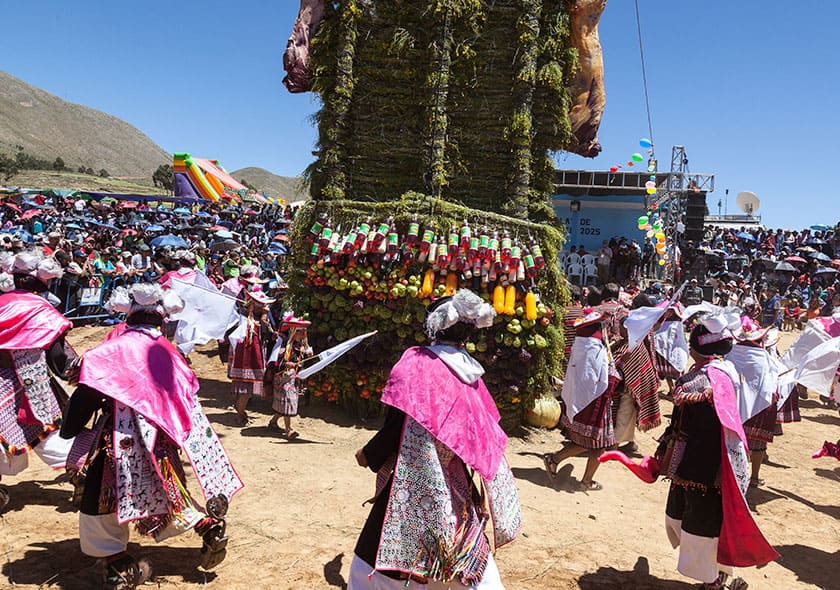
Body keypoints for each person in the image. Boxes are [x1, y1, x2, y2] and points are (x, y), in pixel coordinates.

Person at [60, 283, 243, 588]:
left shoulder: (112, 350)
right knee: (167, 489)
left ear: (128, 315)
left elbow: (87, 392)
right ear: (162, 319)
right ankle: (204, 524)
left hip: (117, 438)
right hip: (161, 439)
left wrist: (72, 427)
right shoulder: (171, 354)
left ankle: (115, 563)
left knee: (101, 496)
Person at [349, 290, 521, 589]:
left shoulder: (416, 364)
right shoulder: (471, 373)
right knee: (467, 563)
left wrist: (370, 453)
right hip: (455, 480)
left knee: (374, 567)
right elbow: (481, 435)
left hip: (414, 475)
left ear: (433, 327)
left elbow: (397, 424)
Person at [0, 249, 79, 512]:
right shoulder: (40, 309)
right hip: (27, 384)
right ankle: (82, 474)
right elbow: (59, 357)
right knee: (47, 434)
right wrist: (81, 374)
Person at [543, 306, 621, 491]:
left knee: (593, 443)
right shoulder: (593, 350)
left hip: (586, 401)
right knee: (596, 443)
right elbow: (601, 379)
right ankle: (568, 469)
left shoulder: (582, 347)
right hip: (594, 403)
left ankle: (559, 463)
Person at [228, 289, 274, 425]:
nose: (264, 308)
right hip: (247, 360)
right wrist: (265, 317)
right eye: (261, 305)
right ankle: (240, 414)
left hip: (254, 358)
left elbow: (266, 335)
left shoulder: (256, 320)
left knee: (246, 391)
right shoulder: (247, 320)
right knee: (245, 391)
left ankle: (241, 413)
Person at [267, 315, 312, 438]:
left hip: (293, 379)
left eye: (303, 332)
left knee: (285, 402)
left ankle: (273, 422)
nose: (302, 334)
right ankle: (288, 430)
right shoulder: (283, 345)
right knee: (288, 401)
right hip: (283, 378)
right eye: (299, 332)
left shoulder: (301, 346)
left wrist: (308, 355)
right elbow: (274, 361)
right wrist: (286, 364)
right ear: (292, 331)